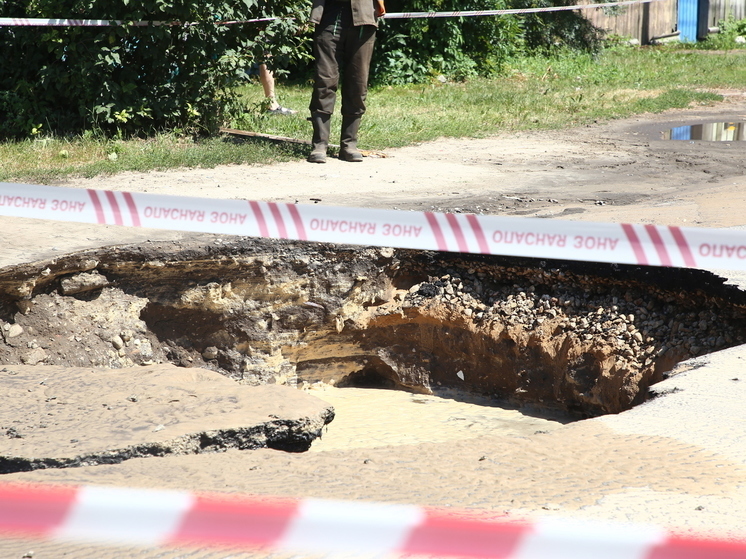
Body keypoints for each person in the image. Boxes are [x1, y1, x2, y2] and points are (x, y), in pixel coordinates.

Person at [307, 0, 386, 163]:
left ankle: (349, 144)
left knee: (358, 82)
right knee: (325, 80)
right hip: (330, 15)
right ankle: (320, 145)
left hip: (363, 16)